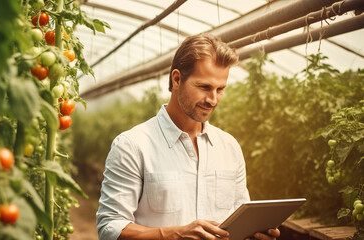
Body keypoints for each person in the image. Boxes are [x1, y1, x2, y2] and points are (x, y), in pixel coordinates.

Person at [96, 33, 281, 240]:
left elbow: (238, 221)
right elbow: (109, 227)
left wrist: (252, 234)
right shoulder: (132, 145)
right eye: (204, 87)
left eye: (220, 89)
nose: (213, 100)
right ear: (177, 79)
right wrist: (174, 234)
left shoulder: (229, 147)